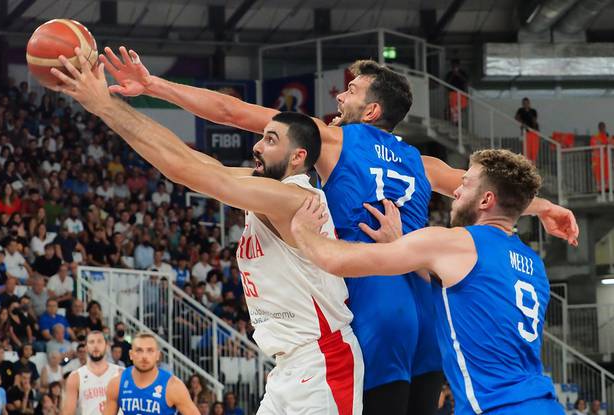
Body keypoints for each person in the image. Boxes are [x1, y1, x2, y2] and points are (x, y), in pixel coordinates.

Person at [96, 48, 578, 415]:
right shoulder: (422, 163)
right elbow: (486, 191)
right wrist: (547, 207)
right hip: (425, 311)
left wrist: (154, 85)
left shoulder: (331, 139)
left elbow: (231, 113)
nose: (340, 96)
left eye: (350, 91)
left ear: (370, 111)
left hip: (372, 301)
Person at [52, 53, 364, 415]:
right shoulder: (265, 188)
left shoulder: (293, 198)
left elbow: (185, 170)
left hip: (323, 362)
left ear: (298, 157)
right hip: (291, 367)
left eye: (270, 140)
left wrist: (104, 105)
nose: (257, 146)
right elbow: (193, 162)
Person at [291, 149, 565, 415]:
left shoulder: (455, 242)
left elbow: (340, 262)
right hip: (544, 403)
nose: (455, 191)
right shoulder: (532, 263)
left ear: (486, 200)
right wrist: (401, 245)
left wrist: (302, 230)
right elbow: (462, 285)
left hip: (496, 407)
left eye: (466, 185)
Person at [103, 332, 199, 414]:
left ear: (157, 355)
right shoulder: (117, 383)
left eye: (150, 351)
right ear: (131, 355)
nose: (144, 356)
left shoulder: (173, 385)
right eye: (139, 350)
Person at [62, 331, 122, 415]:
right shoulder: (75, 377)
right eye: (91, 342)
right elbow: (68, 412)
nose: (95, 345)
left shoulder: (121, 373)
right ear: (86, 347)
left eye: (99, 341)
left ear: (107, 346)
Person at [590, 121, 613, 192]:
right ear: (599, 128)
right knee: (599, 175)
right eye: (601, 127)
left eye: (604, 127)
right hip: (597, 160)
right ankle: (599, 190)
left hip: (606, 160)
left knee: (607, 174)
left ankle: (607, 188)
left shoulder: (607, 136)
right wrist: (605, 145)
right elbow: (594, 145)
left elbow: (611, 144)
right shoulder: (595, 137)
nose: (603, 128)